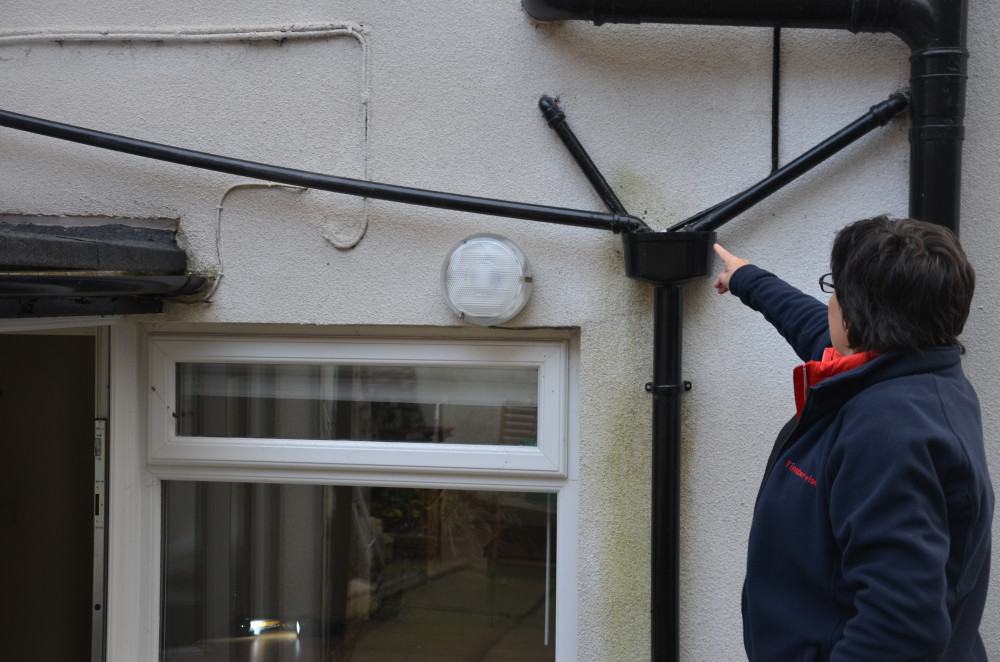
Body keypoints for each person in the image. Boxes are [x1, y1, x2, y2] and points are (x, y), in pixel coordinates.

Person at [713, 216, 994, 661]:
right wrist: (749, 279)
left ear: (859, 315)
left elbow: (899, 628)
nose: (831, 304)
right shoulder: (918, 370)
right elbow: (814, 329)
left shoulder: (890, 435)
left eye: (835, 290)